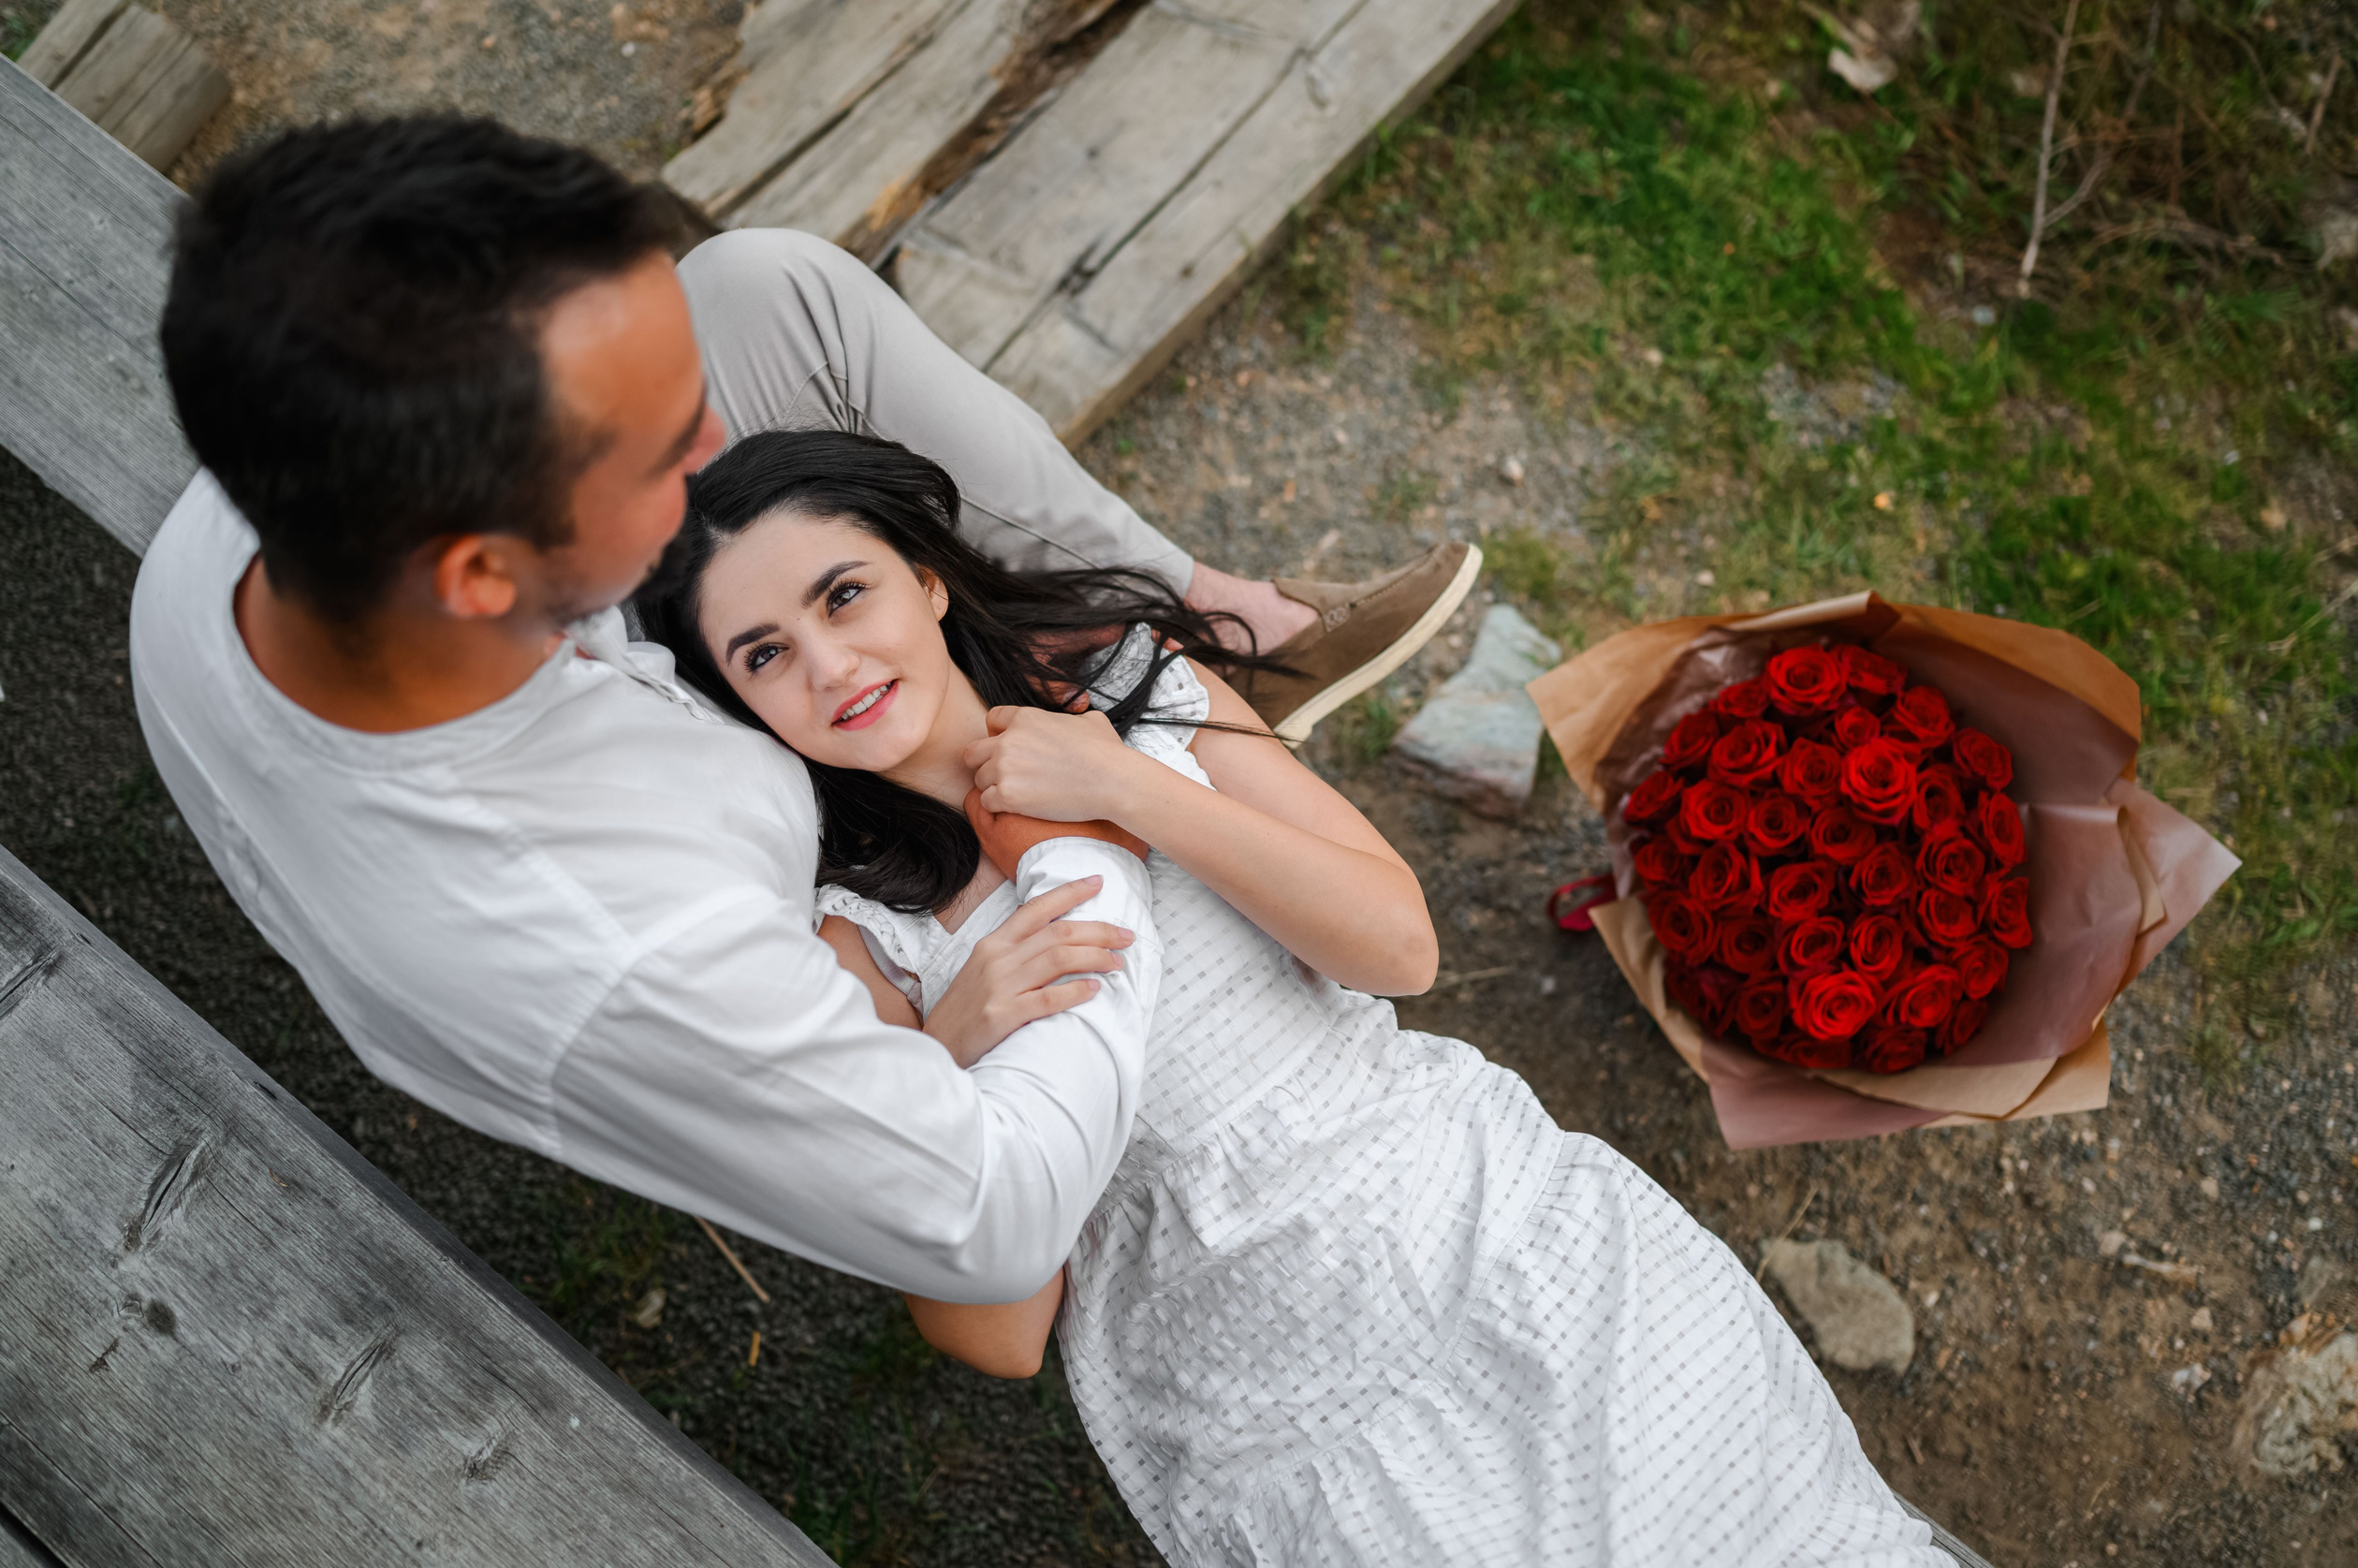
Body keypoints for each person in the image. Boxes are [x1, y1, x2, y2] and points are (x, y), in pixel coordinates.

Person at [127, 113, 1474, 1305]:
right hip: (697, 909)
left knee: (765, 293)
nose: (721, 446)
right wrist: (1093, 832)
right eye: (665, 452)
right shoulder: (635, 942)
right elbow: (997, 1228)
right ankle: (1105, 661)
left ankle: (1207, 626)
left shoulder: (277, 486)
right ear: (487, 579)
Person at [637, 429, 1975, 1568]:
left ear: (926, 577)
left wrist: (1133, 791)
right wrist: (953, 1056)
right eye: (766, 653)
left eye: (845, 594)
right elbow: (995, 1335)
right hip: (1283, 1415)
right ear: (740, 703)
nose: (831, 664)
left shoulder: (1134, 691)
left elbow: (1399, 948)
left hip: (1498, 1234)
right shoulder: (861, 945)